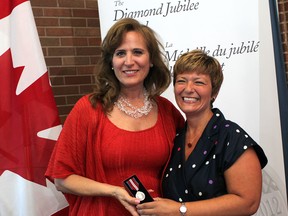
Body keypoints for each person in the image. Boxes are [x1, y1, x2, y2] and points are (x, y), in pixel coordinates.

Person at [45, 18, 184, 216]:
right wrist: (115, 191)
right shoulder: (88, 109)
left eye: (137, 52)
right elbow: (62, 179)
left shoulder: (168, 111)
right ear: (111, 62)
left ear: (151, 59)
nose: (129, 61)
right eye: (120, 53)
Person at [136, 50, 268, 216]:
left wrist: (179, 210)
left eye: (199, 82)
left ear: (214, 92)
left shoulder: (231, 136)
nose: (188, 89)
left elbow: (248, 203)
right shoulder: (175, 137)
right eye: (181, 81)